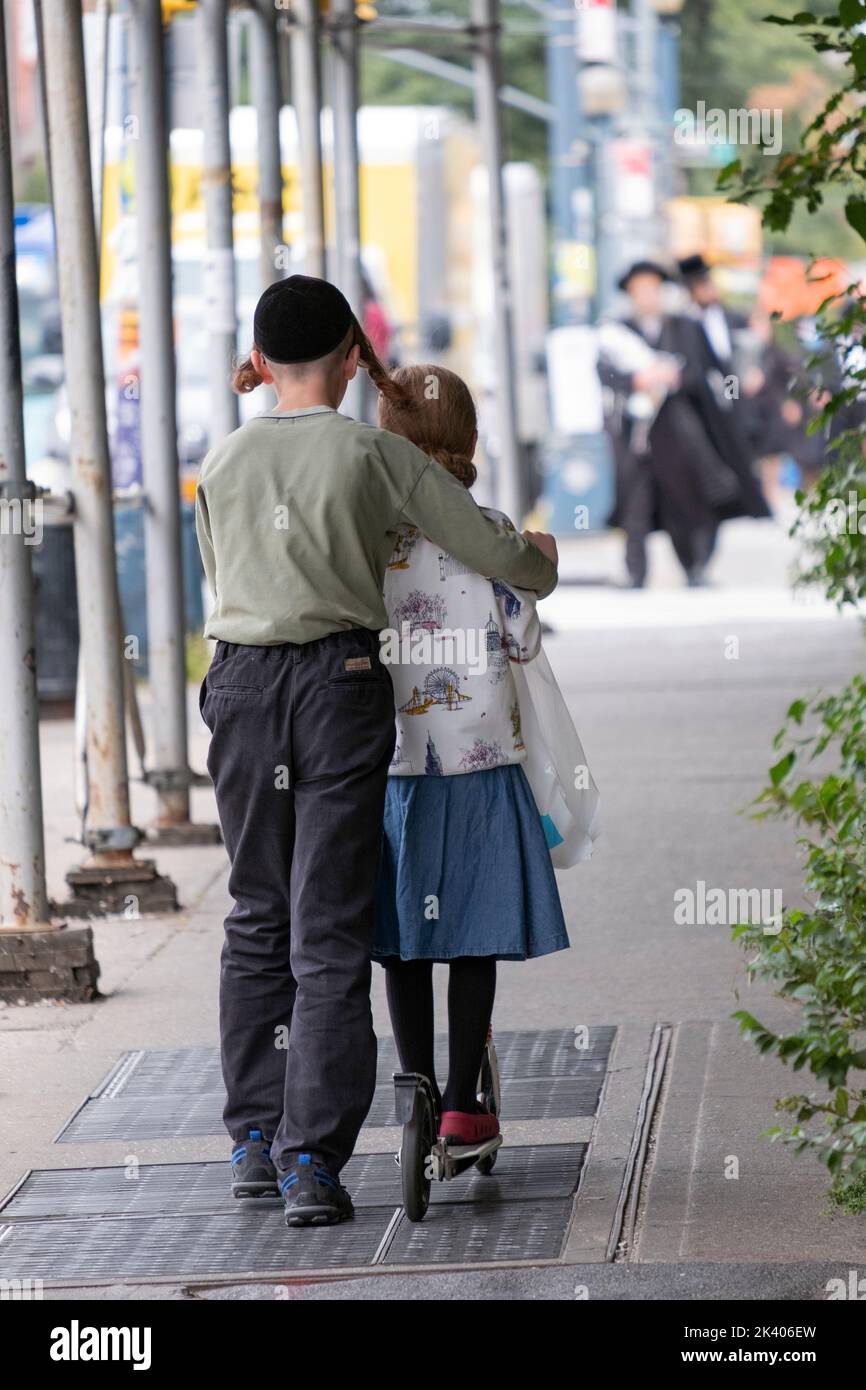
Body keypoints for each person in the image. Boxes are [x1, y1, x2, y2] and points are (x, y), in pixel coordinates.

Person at [195, 276, 559, 1227]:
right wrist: (542, 558)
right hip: (336, 689)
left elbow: (221, 582)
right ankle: (311, 1162)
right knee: (327, 926)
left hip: (238, 686)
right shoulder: (370, 454)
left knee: (255, 914)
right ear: (355, 358)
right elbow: (486, 546)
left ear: (263, 364)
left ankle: (249, 1138)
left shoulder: (222, 462)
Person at [372, 365, 570, 1144]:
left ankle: (413, 1083)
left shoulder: (368, 539)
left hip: (394, 768)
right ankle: (462, 1103)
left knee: (403, 938)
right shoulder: (488, 531)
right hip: (483, 762)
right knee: (473, 934)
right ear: (471, 441)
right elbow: (521, 636)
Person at [597, 260, 769, 589]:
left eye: (652, 289)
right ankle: (636, 572)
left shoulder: (685, 328)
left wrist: (677, 378)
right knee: (636, 503)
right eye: (640, 290)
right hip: (636, 433)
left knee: (687, 501)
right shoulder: (617, 332)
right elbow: (605, 374)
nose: (647, 296)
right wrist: (638, 379)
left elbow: (710, 370)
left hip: (678, 430)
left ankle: (694, 566)